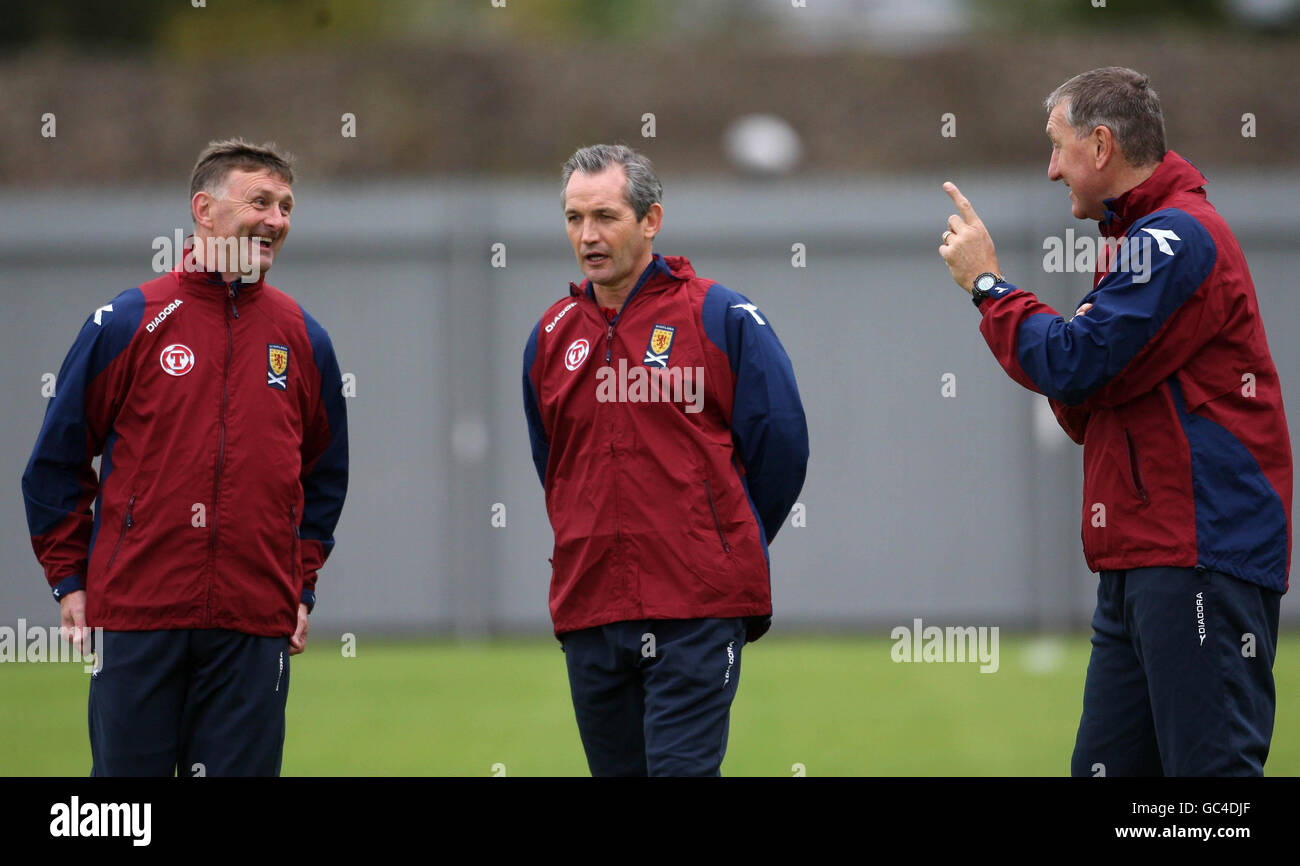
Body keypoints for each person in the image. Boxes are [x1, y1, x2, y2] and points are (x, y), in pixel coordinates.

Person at [938, 67, 1290, 776]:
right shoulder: (1142, 240)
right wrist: (1072, 359)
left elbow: (1073, 367)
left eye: (1058, 147)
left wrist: (988, 286)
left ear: (1100, 146)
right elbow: (1082, 397)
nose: (1049, 169)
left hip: (1196, 552)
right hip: (1140, 558)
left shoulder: (1174, 239)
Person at [21, 138, 349, 776]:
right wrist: (69, 579)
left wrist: (300, 586)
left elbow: (323, 479)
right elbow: (54, 465)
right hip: (140, 615)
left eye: (286, 206)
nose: (278, 220)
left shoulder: (305, 339)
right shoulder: (126, 320)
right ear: (204, 208)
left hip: (253, 621)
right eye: (261, 201)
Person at [522, 144, 809, 776]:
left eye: (606, 217)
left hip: (696, 610)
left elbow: (781, 448)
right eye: (574, 218)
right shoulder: (550, 337)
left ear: (651, 220)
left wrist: (720, 538)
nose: (588, 236)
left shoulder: (719, 316)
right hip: (592, 606)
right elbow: (557, 465)